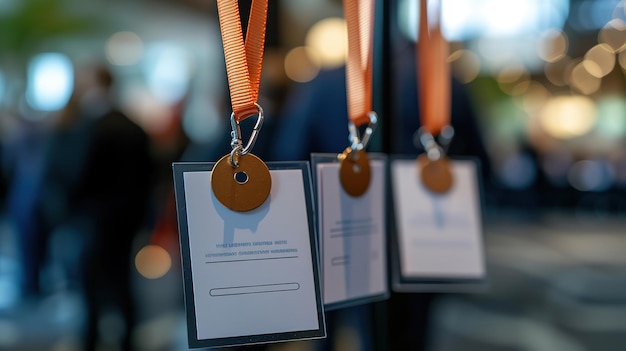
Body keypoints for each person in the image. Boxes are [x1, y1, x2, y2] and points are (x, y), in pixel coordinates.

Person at [71, 64, 154, 351]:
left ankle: (91, 341)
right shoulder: (134, 127)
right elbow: (149, 177)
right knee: (122, 282)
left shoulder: (93, 128)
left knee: (92, 285)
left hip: (97, 220)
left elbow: (81, 174)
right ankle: (128, 341)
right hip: (128, 218)